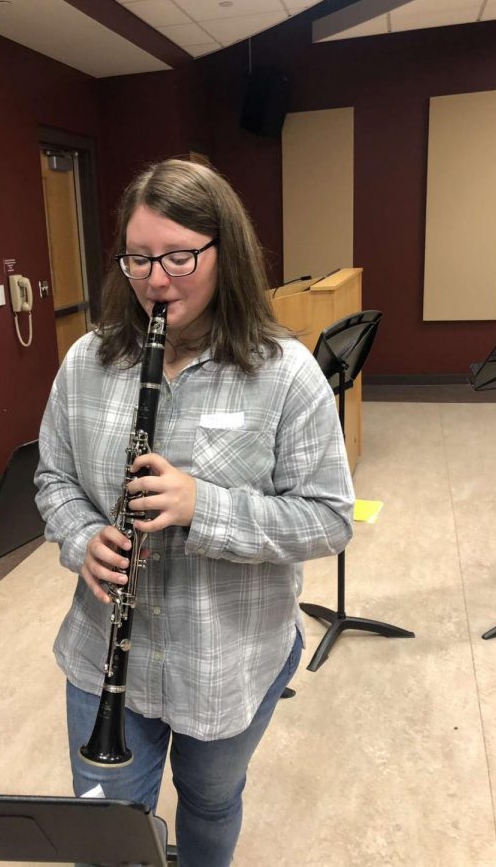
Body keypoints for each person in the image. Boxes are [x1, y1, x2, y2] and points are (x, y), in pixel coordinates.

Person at [35, 158, 354, 866]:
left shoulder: (284, 372)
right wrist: (81, 537)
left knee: (210, 801)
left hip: (227, 660)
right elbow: (52, 476)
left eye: (180, 256)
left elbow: (330, 518)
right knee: (107, 826)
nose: (156, 279)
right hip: (101, 655)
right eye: (139, 258)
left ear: (225, 252)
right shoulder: (86, 362)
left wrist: (200, 505)